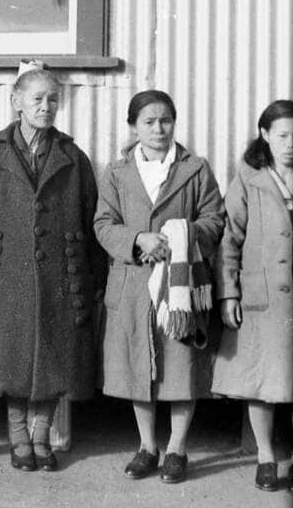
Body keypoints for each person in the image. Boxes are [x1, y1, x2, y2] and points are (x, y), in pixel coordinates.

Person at [0, 66, 105, 472]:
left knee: (53, 357)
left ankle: (42, 437)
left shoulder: (72, 157)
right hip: (7, 274)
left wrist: (93, 277)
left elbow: (90, 219)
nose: (46, 107)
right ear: (16, 101)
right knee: (12, 357)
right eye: (37, 99)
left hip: (59, 275)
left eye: (53, 100)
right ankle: (17, 438)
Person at [94, 89, 225, 484]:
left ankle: (177, 449)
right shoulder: (117, 172)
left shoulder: (195, 169)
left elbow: (214, 219)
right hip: (134, 284)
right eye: (148, 122)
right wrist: (138, 240)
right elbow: (103, 223)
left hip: (180, 284)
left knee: (182, 365)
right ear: (133, 127)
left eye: (165, 120)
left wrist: (181, 237)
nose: (158, 129)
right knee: (139, 366)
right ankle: (147, 446)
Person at [212, 99, 293, 492]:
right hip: (262, 296)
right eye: (283, 135)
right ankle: (265, 456)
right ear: (265, 135)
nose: (290, 144)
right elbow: (229, 237)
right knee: (262, 378)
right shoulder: (249, 177)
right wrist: (228, 293)